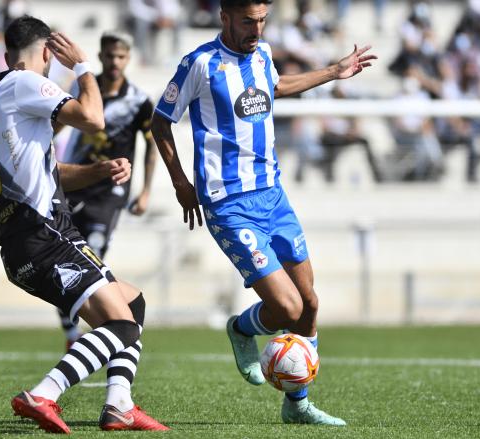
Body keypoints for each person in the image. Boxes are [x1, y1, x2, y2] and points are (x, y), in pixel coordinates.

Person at [151, 0, 376, 426]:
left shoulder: (264, 54)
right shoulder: (199, 63)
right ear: (225, 18)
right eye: (247, 21)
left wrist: (333, 71)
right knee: (288, 309)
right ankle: (241, 328)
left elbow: (277, 86)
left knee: (309, 303)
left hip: (273, 195)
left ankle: (298, 405)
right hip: (227, 203)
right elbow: (161, 121)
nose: (256, 29)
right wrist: (181, 182)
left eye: (262, 20)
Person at [0, 16, 168, 433]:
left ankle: (119, 404)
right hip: (44, 235)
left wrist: (98, 170)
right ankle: (44, 393)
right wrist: (82, 66)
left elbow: (48, 172)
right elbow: (93, 118)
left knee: (130, 304)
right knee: (120, 324)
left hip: (29, 240)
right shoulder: (24, 82)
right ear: (47, 53)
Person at [57, 30, 157, 349]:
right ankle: (74, 336)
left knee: (92, 254)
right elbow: (57, 122)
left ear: (128, 59)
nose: (114, 62)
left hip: (111, 190)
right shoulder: (85, 89)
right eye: (110, 55)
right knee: (63, 259)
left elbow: (152, 145)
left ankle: (101, 332)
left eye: (121, 56)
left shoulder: (139, 101)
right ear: (100, 56)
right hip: (75, 181)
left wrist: (145, 191)